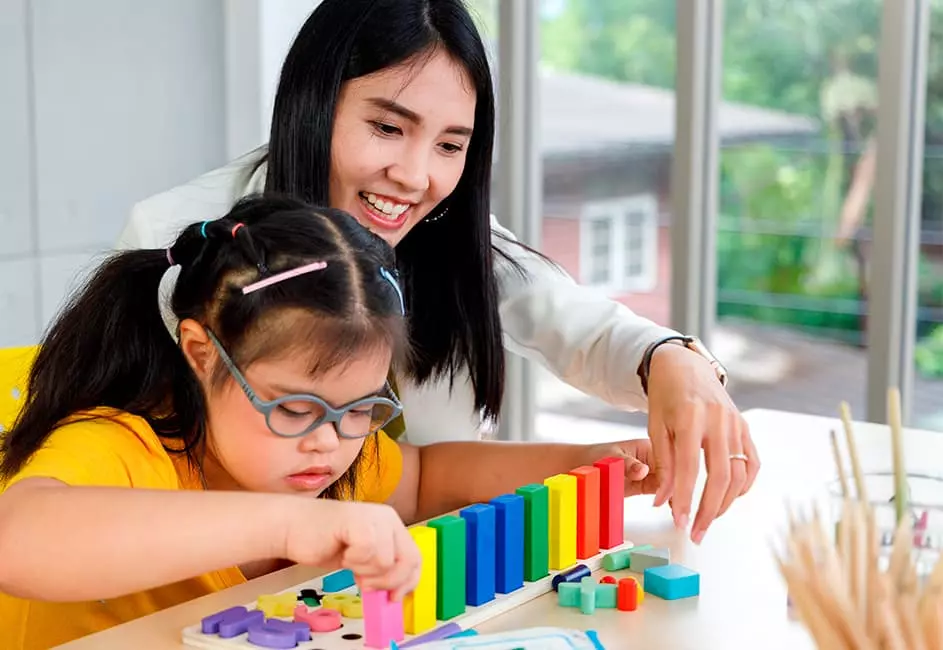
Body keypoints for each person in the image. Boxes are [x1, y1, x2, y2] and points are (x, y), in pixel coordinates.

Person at [118, 0, 758, 546]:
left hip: (413, 586)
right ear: (312, 106)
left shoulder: (445, 235)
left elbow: (582, 332)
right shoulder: (180, 243)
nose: (417, 176)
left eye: (451, 145)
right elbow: (106, 494)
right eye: (388, 127)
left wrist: (676, 362)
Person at [0, 196, 655, 649]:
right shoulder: (122, 444)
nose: (329, 441)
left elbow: (426, 477)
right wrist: (296, 522)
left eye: (361, 409)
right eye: (291, 406)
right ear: (202, 355)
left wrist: (591, 461)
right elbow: (18, 541)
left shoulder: (327, 446)